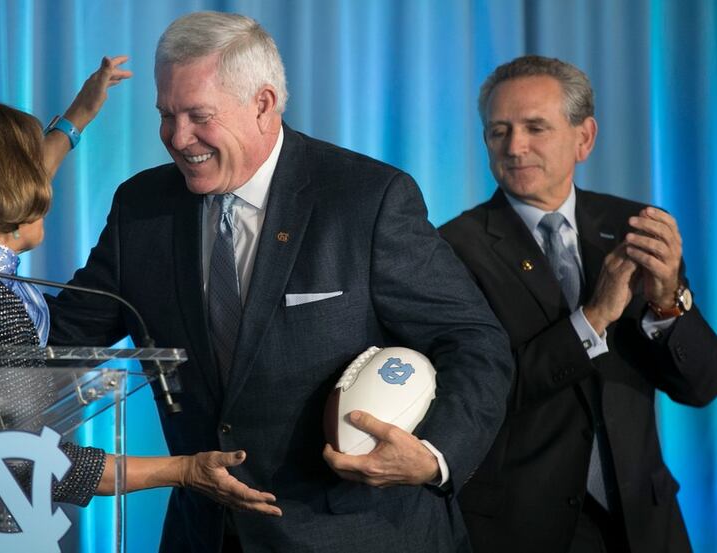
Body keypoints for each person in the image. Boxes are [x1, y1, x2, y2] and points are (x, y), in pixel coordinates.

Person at [47, 10, 513, 553]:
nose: (177, 138)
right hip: (208, 536)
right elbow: (61, 340)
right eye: (166, 115)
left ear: (263, 104)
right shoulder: (141, 207)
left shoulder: (365, 199)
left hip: (357, 534)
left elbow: (474, 340)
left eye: (199, 115)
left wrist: (433, 455)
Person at [0, 56, 275, 552]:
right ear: (11, 196)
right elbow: (27, 464)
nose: (46, 190)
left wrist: (77, 118)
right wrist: (182, 470)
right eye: (33, 180)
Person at [438, 55, 717, 553]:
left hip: (645, 525)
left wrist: (669, 303)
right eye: (498, 131)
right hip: (520, 530)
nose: (515, 146)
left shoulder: (637, 227)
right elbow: (478, 398)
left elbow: (701, 386)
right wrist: (592, 319)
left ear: (584, 138)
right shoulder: (452, 248)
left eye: (535, 127)